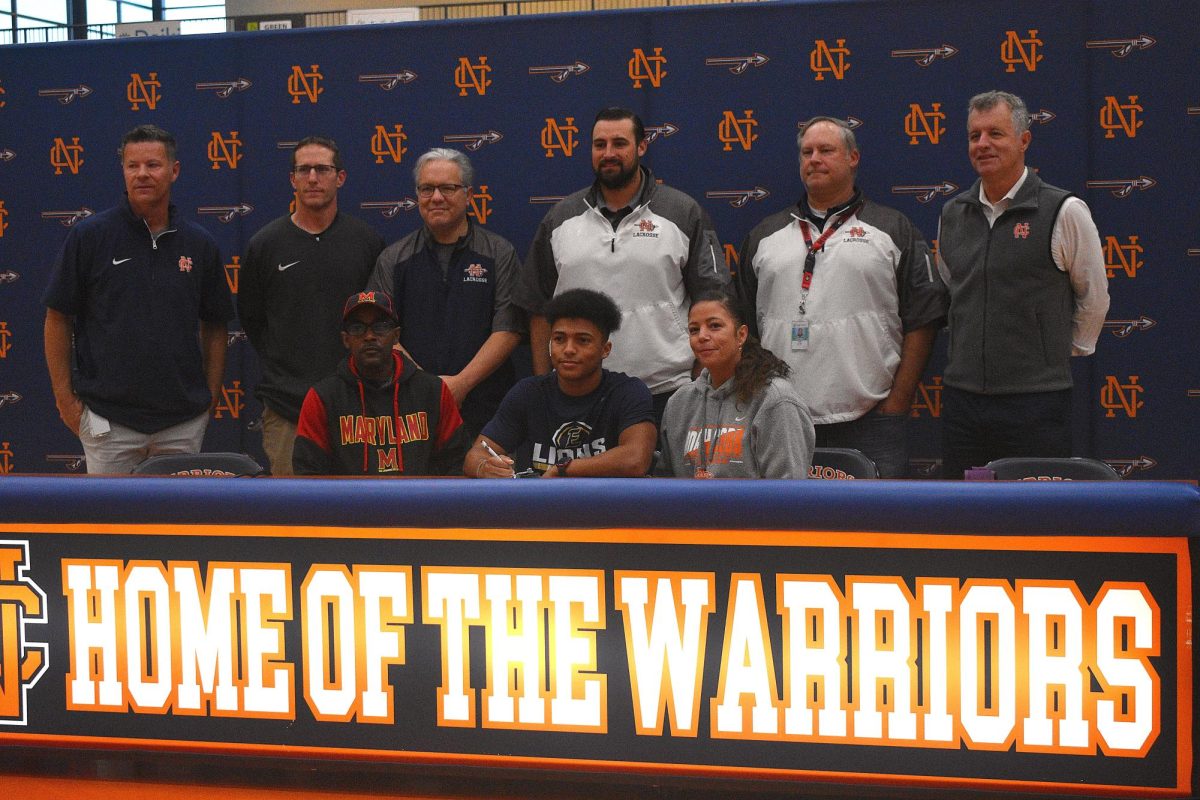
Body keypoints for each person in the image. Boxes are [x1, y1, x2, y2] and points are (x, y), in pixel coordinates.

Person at [738, 116, 947, 478]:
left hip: (872, 420)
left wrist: (897, 401)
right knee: (787, 530)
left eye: (826, 150)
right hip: (780, 415)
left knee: (874, 531)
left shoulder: (892, 229)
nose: (814, 159)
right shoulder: (764, 236)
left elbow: (924, 318)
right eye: (807, 152)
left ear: (853, 158)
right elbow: (742, 325)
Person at [516, 106, 730, 423]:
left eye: (620, 143)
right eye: (599, 145)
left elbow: (714, 301)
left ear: (641, 147)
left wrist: (700, 375)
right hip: (576, 392)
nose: (608, 153)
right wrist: (544, 384)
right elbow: (538, 307)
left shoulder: (683, 213)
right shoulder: (560, 219)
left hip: (666, 392)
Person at [42, 124, 233, 474]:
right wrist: (66, 403)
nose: (142, 174)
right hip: (109, 424)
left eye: (153, 165)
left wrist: (209, 398)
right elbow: (57, 318)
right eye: (133, 166)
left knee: (176, 528)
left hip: (182, 424)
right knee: (111, 529)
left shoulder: (199, 244)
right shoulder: (89, 237)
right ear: (124, 171)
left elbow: (216, 326)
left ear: (174, 171)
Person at [937, 91, 1109, 478]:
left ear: (1024, 141)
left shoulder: (1063, 210)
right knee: (965, 521)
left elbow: (1094, 297)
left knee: (1035, 518)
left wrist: (1052, 354)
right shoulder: (952, 214)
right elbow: (953, 287)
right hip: (963, 400)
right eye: (974, 136)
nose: (982, 144)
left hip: (1036, 402)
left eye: (995, 133)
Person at [238, 135, 385, 475]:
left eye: (322, 169)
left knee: (360, 517)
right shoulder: (265, 245)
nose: (313, 178)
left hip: (359, 407)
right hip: (288, 409)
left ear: (341, 177)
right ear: (292, 179)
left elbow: (378, 323)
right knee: (294, 519)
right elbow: (253, 321)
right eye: (304, 170)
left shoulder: (366, 242)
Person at [365, 148, 524, 439]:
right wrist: (430, 388)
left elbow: (509, 329)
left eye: (448, 188)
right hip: (410, 412)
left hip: (488, 414)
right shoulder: (393, 258)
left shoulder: (499, 253)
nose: (436, 197)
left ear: (468, 194)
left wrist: (461, 384)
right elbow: (379, 331)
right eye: (427, 189)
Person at [466, 288, 655, 478]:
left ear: (605, 349)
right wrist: (485, 467)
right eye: (559, 339)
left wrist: (564, 468)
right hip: (540, 505)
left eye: (582, 340)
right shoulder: (528, 392)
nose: (569, 349)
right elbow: (475, 455)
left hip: (608, 505)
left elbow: (636, 460)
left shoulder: (627, 392)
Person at [293, 291, 470, 476]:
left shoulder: (433, 392)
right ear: (346, 339)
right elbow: (308, 476)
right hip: (348, 505)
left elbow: (458, 466)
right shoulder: (323, 398)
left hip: (420, 504)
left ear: (396, 336)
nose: (369, 336)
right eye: (357, 327)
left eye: (380, 326)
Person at [658, 292, 814, 479]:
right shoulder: (679, 403)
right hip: (690, 509)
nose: (702, 336)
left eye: (714, 326)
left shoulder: (776, 400)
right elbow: (664, 486)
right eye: (694, 330)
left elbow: (788, 494)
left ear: (741, 335)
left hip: (757, 509)